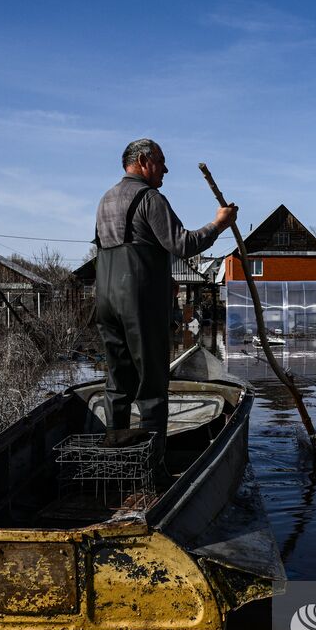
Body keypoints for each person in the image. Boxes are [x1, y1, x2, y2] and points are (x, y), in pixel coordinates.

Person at [93, 139, 237, 472]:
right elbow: (183, 244)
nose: (166, 170)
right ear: (143, 161)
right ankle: (150, 470)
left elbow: (122, 248)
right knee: (152, 386)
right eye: (161, 162)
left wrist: (159, 276)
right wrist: (219, 223)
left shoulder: (105, 200)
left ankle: (116, 464)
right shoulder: (150, 198)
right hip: (138, 304)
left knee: (117, 381)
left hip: (106, 299)